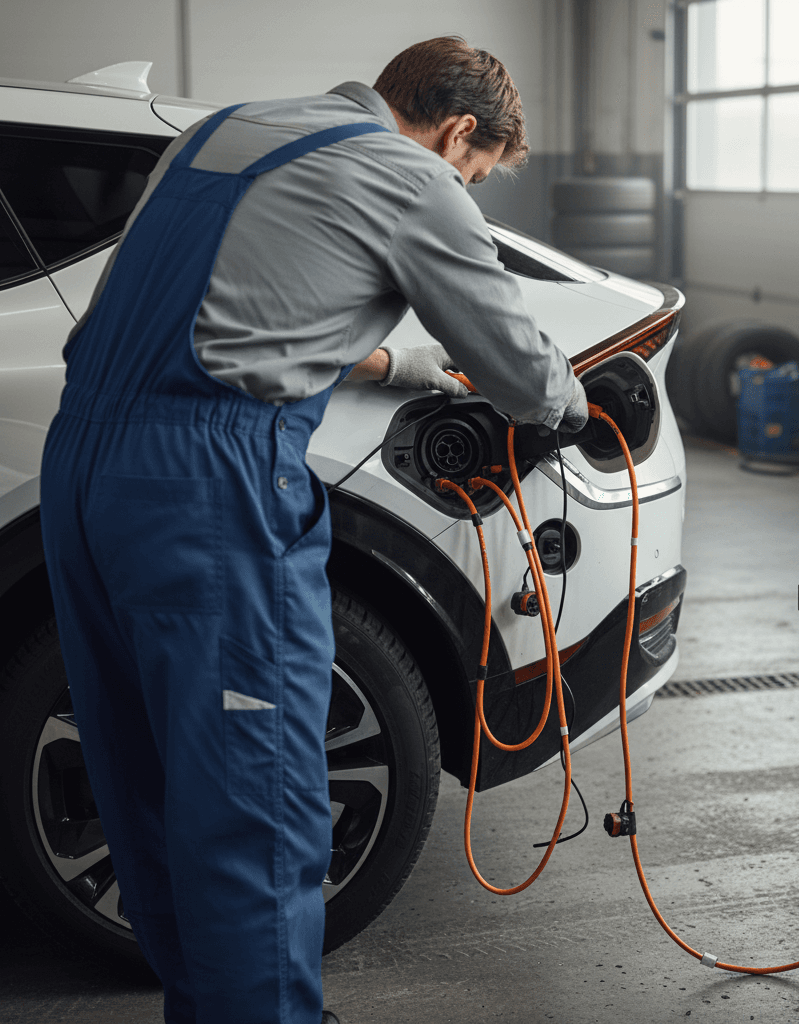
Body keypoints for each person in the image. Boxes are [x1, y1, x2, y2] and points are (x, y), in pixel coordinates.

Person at [39, 36, 587, 1024]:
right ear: (458, 129)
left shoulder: (224, 130)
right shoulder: (409, 172)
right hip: (209, 489)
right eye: (474, 169)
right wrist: (566, 405)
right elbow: (523, 369)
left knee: (144, 773)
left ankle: (214, 1007)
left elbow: (229, 307)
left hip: (83, 465)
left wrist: (396, 365)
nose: (461, 183)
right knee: (257, 797)